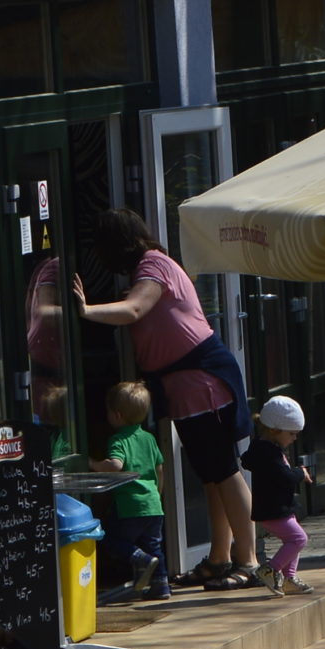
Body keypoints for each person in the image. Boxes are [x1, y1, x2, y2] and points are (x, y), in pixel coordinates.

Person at [73, 207, 260, 591]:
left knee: (225, 470)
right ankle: (219, 558)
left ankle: (250, 562)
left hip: (203, 383)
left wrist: (86, 310)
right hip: (186, 389)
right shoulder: (150, 267)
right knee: (211, 476)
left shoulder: (154, 264)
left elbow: (135, 309)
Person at [91, 381, 171, 600]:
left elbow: (115, 465)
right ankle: (161, 586)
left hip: (129, 505)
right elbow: (160, 469)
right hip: (153, 505)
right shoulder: (149, 438)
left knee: (110, 539)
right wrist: (158, 494)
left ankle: (139, 558)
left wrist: (93, 464)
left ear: (117, 415)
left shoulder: (118, 440)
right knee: (154, 546)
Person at [244, 395, 314, 596]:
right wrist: (300, 473)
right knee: (299, 539)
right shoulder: (268, 453)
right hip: (273, 509)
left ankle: (289, 578)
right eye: (291, 433)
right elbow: (285, 477)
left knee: (292, 541)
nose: (294, 438)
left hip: (279, 507)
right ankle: (270, 569)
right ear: (275, 430)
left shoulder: (266, 448)